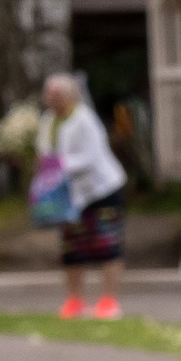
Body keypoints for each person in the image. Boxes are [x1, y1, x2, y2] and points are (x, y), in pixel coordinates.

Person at [35, 71, 127, 323]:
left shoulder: (84, 119)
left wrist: (59, 166)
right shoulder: (48, 121)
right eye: (49, 94)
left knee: (107, 245)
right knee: (72, 248)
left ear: (70, 95)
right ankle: (74, 300)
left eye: (57, 94)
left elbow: (91, 157)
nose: (53, 99)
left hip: (102, 191)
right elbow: (44, 152)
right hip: (70, 195)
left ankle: (108, 301)